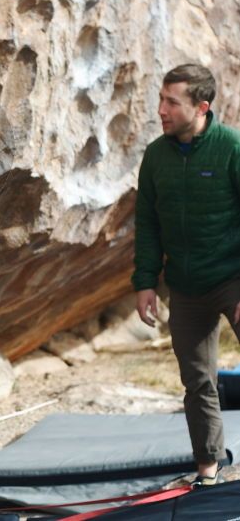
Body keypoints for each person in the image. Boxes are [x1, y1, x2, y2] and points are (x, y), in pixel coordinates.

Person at [132, 63, 240, 486]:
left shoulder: (231, 147)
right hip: (186, 289)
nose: (160, 109)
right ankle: (208, 468)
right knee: (197, 382)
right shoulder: (155, 156)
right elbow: (147, 223)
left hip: (233, 277)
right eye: (160, 99)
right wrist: (145, 282)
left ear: (201, 107)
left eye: (171, 102)